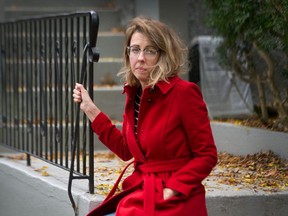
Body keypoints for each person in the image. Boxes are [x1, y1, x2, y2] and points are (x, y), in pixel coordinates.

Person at [73, 17, 217, 216]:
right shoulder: (135, 94)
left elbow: (207, 155)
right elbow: (126, 150)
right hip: (141, 193)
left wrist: (174, 188)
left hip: (176, 202)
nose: (140, 57)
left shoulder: (184, 93)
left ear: (163, 55)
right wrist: (90, 109)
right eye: (135, 49)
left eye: (149, 50)